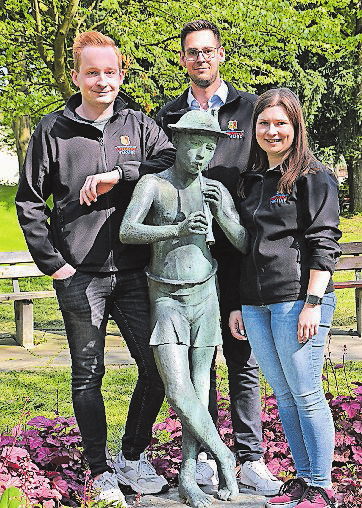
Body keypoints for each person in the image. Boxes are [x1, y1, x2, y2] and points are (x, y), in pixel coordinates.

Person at [16, 31, 176, 504]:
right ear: (76, 76)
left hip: (133, 271)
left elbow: (168, 159)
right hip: (79, 273)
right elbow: (28, 202)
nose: (101, 80)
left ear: (121, 74)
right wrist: (55, 265)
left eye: (110, 72)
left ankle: (131, 455)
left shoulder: (138, 123)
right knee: (88, 374)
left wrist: (119, 175)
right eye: (92, 72)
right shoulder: (52, 131)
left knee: (158, 367)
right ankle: (99, 469)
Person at [157, 19, 282, 496]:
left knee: (242, 357)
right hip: (188, 255)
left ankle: (250, 457)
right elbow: (153, 165)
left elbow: (276, 154)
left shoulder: (250, 109)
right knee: (197, 363)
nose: (200, 58)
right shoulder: (170, 114)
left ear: (221, 55)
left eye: (208, 51)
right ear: (183, 59)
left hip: (238, 250)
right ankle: (207, 456)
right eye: (192, 52)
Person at [120, 109, 248, 508]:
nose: (201, 156)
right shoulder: (153, 185)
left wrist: (223, 218)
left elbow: (244, 243)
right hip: (166, 298)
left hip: (205, 296)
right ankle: (225, 455)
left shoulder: (215, 190)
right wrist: (176, 229)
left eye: (209, 148)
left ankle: (189, 476)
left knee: (202, 387)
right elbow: (128, 230)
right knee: (177, 390)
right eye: (195, 146)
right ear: (177, 142)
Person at [229, 88, 341, 508]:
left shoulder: (313, 176)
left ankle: (321, 487)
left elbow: (324, 240)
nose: (271, 131)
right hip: (256, 303)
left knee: (307, 392)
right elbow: (247, 245)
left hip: (296, 301)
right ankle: (303, 477)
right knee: (285, 393)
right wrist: (238, 304)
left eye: (281, 123)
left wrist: (313, 303)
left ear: (296, 127)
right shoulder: (252, 180)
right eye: (264, 123)